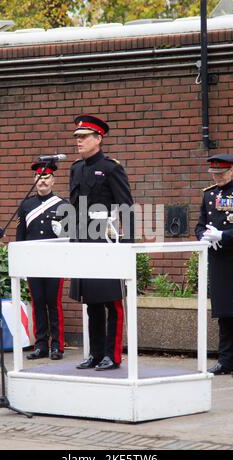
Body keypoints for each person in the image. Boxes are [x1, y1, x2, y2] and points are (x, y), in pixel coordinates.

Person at [69, 115, 135, 371]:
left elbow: (126, 207)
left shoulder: (111, 168)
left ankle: (113, 355)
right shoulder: (76, 168)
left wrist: (126, 246)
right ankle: (95, 354)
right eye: (77, 137)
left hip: (107, 242)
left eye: (84, 137)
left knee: (112, 302)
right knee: (92, 302)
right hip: (83, 242)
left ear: (98, 138)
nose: (79, 141)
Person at [195, 154, 233, 377]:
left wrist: (223, 235)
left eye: (221, 173)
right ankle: (225, 360)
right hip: (217, 258)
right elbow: (200, 224)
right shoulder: (208, 195)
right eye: (214, 174)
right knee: (223, 313)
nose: (218, 177)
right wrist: (205, 236)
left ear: (231, 171)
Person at [16, 159, 67, 360]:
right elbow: (21, 235)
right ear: (34, 179)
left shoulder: (63, 205)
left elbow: (70, 236)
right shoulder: (26, 205)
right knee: (38, 302)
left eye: (46, 177)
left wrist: (61, 232)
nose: (42, 181)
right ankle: (41, 345)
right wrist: (20, 263)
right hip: (33, 261)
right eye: (39, 176)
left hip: (55, 262)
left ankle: (57, 345)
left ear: (53, 180)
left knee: (53, 303)